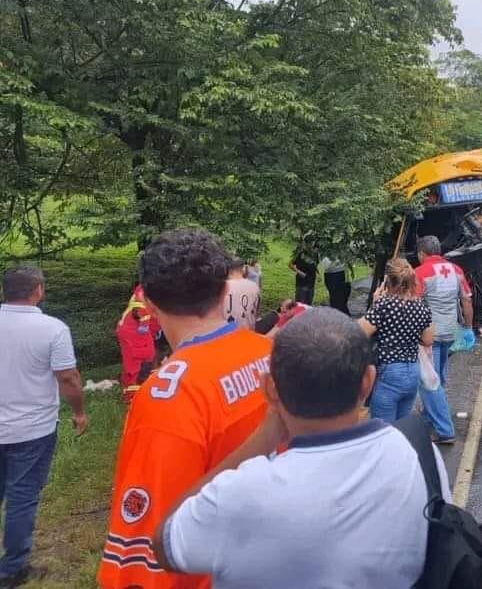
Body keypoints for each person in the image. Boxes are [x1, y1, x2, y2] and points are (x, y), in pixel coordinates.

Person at [151, 309, 449, 589]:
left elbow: (165, 544)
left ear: (269, 389)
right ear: (368, 382)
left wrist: (261, 440)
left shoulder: (242, 494)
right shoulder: (418, 455)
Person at [98, 229, 272, 589]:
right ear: (225, 291)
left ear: (146, 304)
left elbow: (146, 542)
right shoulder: (266, 354)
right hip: (261, 557)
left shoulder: (168, 396)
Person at [0, 266, 87, 587]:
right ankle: (12, 569)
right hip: (32, 430)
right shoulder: (52, 329)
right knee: (22, 496)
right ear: (38, 289)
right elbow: (68, 377)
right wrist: (79, 412)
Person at [414, 236, 474, 445]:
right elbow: (466, 301)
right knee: (438, 376)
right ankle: (431, 416)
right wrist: (468, 328)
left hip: (430, 335)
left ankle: (443, 429)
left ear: (422, 253)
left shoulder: (420, 273)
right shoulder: (456, 270)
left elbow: (413, 304)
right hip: (450, 332)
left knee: (430, 382)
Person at [361, 259, 435, 422]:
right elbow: (428, 340)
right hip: (412, 371)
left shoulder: (384, 305)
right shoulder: (421, 307)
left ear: (387, 281)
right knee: (401, 428)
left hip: (390, 371)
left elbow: (358, 332)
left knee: (383, 430)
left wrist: (375, 303)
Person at [115, 283, 163, 403]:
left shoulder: (149, 285)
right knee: (143, 362)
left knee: (133, 363)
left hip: (133, 331)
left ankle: (132, 394)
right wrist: (144, 325)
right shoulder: (150, 287)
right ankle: (138, 398)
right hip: (137, 332)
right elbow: (140, 307)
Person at [223, 257, 261, 329]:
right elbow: (256, 311)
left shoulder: (221, 287)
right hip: (247, 333)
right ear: (243, 269)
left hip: (223, 334)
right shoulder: (254, 287)